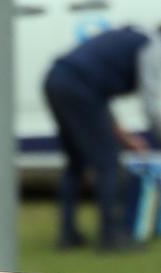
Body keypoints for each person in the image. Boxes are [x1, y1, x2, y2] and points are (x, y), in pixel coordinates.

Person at [43, 25, 161, 251]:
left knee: (76, 162)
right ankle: (113, 236)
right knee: (109, 163)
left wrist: (125, 137)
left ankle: (68, 235)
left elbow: (98, 100)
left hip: (57, 80)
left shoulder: (134, 37)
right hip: (77, 86)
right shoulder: (153, 48)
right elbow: (153, 104)